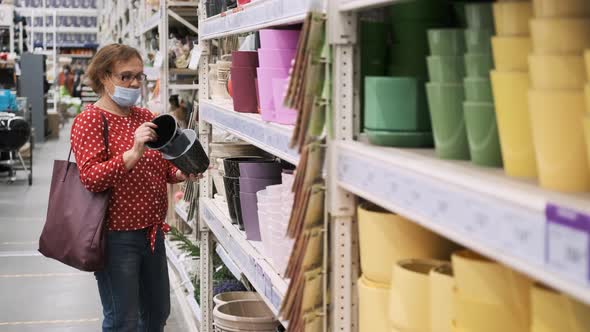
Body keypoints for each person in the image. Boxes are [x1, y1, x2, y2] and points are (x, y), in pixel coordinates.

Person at [70, 43, 200, 332]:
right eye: (125, 76)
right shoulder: (90, 120)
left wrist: (182, 172)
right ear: (104, 77)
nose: (134, 83)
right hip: (116, 238)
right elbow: (91, 177)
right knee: (122, 320)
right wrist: (132, 152)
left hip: (152, 233)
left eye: (139, 76)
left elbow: (163, 166)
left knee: (157, 313)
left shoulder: (144, 116)